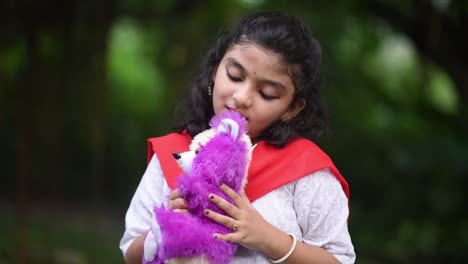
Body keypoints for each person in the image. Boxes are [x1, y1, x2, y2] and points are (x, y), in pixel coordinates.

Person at [120, 11, 356, 264]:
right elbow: (130, 252)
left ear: (292, 108)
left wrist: (269, 239)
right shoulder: (174, 153)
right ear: (215, 69)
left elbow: (339, 260)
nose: (242, 97)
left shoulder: (307, 171)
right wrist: (164, 229)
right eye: (234, 76)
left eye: (267, 93)